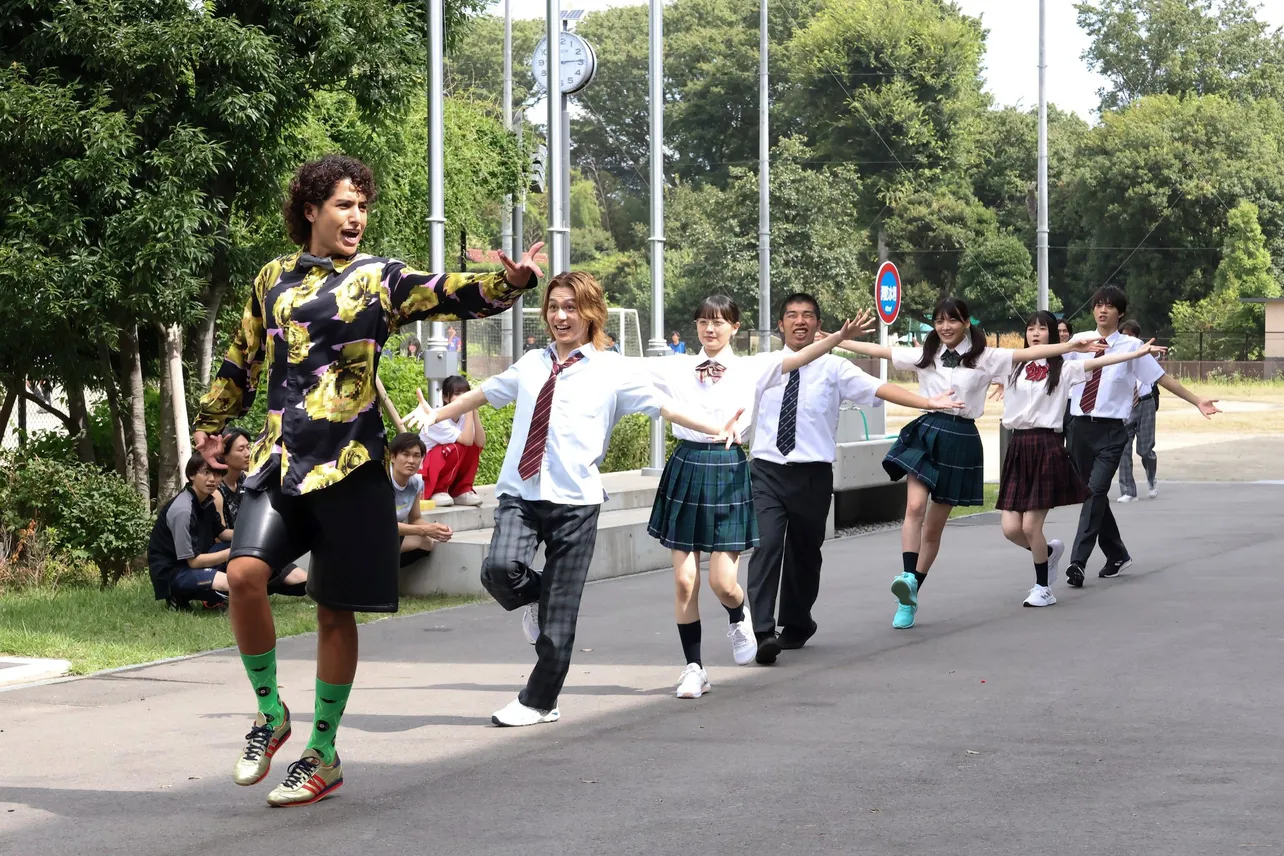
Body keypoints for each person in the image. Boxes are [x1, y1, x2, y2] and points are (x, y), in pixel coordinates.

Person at [190, 154, 543, 807]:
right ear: (311, 210)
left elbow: (447, 291)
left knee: (333, 610)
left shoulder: (379, 279)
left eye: (362, 206)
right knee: (244, 576)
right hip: (282, 459)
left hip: (351, 465)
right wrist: (210, 423)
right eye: (344, 205)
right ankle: (271, 714)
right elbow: (241, 358)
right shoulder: (272, 277)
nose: (355, 218)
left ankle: (322, 751)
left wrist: (506, 282)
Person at [406, 271, 740, 727]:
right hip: (521, 492)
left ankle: (539, 700)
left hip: (576, 502)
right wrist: (437, 413)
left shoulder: (612, 368)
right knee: (499, 570)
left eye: (571, 307)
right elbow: (484, 394)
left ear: (592, 313)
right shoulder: (530, 364)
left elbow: (665, 408)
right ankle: (540, 598)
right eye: (554, 307)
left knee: (560, 619)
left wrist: (712, 427)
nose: (560, 316)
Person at [641, 297, 868, 697]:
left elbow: (801, 358)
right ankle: (693, 667)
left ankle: (738, 614)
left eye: (718, 322)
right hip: (686, 467)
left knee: (723, 583)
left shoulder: (752, 366)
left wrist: (837, 338)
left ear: (734, 326)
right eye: (703, 322)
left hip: (727, 467)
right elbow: (620, 370)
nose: (710, 329)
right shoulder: (674, 366)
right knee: (683, 580)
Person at [834, 296, 1105, 629]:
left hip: (960, 439)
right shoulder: (925, 354)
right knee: (914, 508)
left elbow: (1030, 353)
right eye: (939, 321)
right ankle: (906, 576)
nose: (945, 327)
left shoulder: (987, 358)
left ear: (966, 322)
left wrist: (1071, 344)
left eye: (952, 320)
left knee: (933, 527)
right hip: (927, 430)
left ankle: (912, 592)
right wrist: (834, 340)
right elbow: (880, 352)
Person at [748, 295, 964, 665]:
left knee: (804, 553)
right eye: (792, 316)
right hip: (766, 470)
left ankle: (797, 624)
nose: (800, 322)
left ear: (818, 325)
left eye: (808, 316)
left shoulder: (834, 368)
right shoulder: (762, 365)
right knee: (767, 544)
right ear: (780, 324)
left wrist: (927, 403)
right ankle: (763, 632)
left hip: (812, 474)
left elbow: (880, 390)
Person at [995, 310, 1162, 608]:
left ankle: (1043, 587)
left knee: (1031, 526)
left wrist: (1136, 352)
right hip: (1018, 446)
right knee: (1011, 529)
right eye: (1030, 329)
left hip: (1046, 445)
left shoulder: (1065, 368)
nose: (1035, 333)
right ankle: (1048, 553)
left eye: (1041, 329)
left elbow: (1102, 362)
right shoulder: (1012, 365)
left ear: (1053, 334)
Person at [1061, 286, 1218, 588]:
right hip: (1079, 428)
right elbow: (1056, 370)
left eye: (1109, 306)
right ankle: (1117, 553)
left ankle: (1077, 563)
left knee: (1094, 493)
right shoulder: (1079, 342)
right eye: (1098, 305)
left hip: (1111, 431)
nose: (1102, 310)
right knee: (1090, 494)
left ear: (1120, 313)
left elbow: (1161, 378)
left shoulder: (1132, 347)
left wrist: (1197, 400)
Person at [215, 428, 308, 597]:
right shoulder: (216, 491)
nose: (247, 453)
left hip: (252, 543)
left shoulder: (247, 479)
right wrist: (251, 536)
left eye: (248, 447)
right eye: (240, 449)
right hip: (229, 550)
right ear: (224, 457)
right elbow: (217, 535)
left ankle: (267, 584)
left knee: (303, 582)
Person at [148, 454, 232, 611]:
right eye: (206, 472)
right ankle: (177, 595)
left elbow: (221, 533)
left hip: (193, 564)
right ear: (192, 475)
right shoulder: (183, 509)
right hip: (173, 572)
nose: (212, 479)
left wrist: (250, 538)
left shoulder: (206, 501)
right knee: (234, 584)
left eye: (217, 474)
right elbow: (194, 562)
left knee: (246, 557)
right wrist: (233, 552)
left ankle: (212, 599)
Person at [418, 375, 485, 507]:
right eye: (457, 393)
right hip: (426, 471)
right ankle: (437, 491)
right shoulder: (438, 418)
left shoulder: (464, 417)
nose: (464, 398)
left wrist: (473, 410)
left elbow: (480, 442)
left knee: (473, 446)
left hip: (444, 467)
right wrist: (469, 408)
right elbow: (465, 440)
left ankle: (461, 490)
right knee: (456, 447)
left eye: (466, 394)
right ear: (445, 398)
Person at [1116, 319, 1159, 503]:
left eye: (1130, 335)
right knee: (1123, 449)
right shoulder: (1117, 356)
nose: (1127, 339)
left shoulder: (1145, 354)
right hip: (1126, 405)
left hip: (1145, 403)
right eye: (1123, 335)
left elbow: (1154, 360)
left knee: (1145, 449)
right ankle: (1128, 491)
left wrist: (1146, 351)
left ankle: (1151, 478)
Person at [388, 432, 453, 553]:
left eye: (416, 455)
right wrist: (424, 530)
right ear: (392, 457)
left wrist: (436, 529)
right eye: (405, 455)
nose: (411, 461)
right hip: (369, 537)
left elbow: (415, 518)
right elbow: (383, 525)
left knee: (425, 542)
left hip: (390, 538)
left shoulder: (416, 482)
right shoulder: (382, 481)